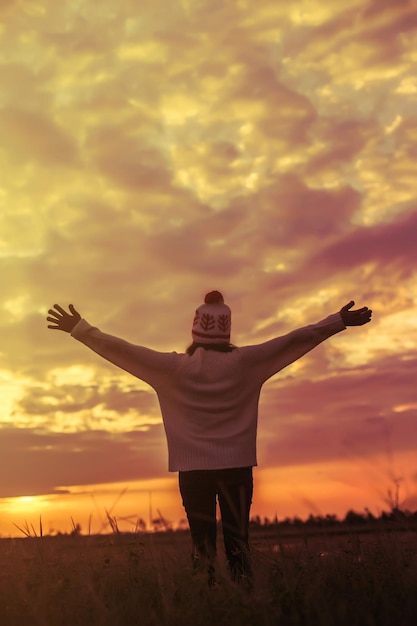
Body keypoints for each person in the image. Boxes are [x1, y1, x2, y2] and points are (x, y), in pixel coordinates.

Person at [47, 292, 372, 586]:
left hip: (194, 472)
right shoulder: (246, 364)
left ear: (196, 331)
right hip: (237, 469)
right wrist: (338, 321)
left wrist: (80, 329)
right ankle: (244, 606)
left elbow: (122, 350)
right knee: (238, 543)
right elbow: (294, 340)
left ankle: (207, 605)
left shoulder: (172, 368)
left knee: (202, 547)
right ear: (226, 332)